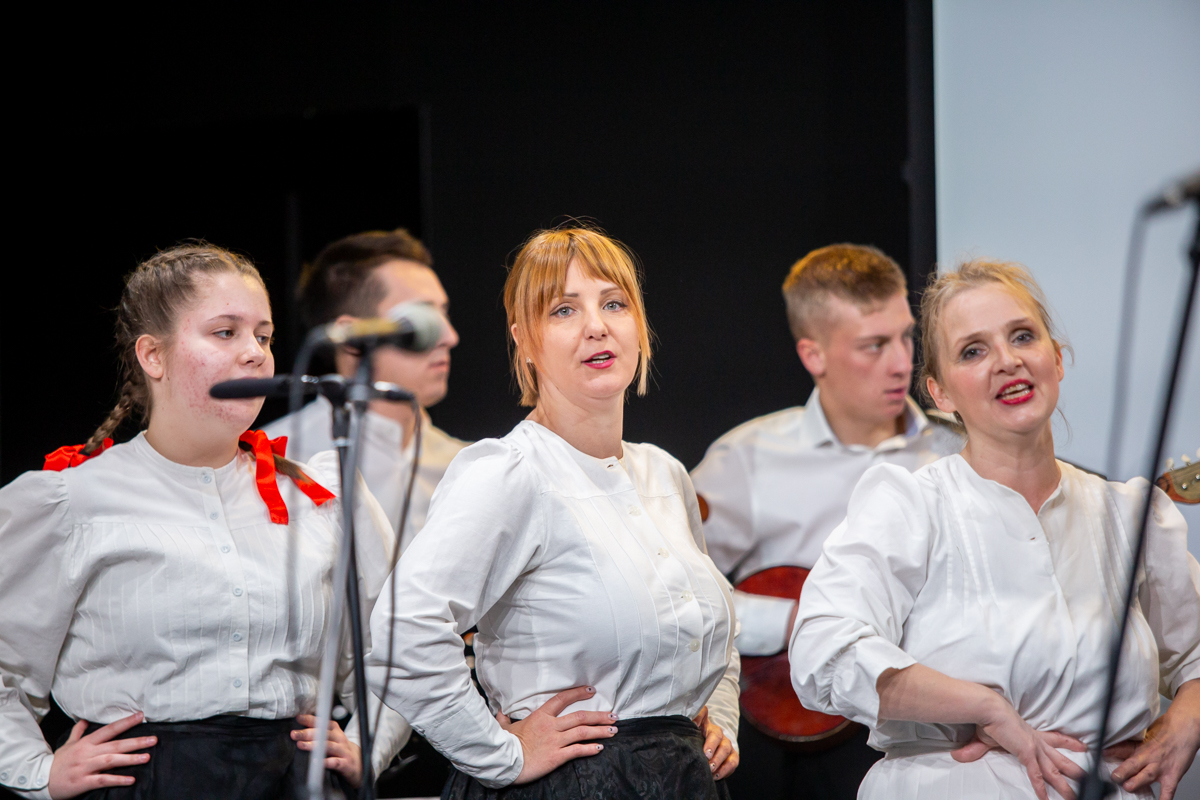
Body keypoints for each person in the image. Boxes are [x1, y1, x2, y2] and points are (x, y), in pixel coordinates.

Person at [0, 244, 408, 799]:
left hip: (294, 782)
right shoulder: (72, 500)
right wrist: (37, 772)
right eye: (225, 333)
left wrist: (367, 748)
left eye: (263, 336)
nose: (255, 354)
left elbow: (393, 652)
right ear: (154, 356)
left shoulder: (323, 495)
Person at [790, 259, 1200, 800]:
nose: (1007, 361)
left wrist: (1186, 721)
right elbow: (823, 653)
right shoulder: (911, 504)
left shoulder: (1129, 515)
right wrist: (983, 707)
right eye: (973, 351)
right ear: (940, 393)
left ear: (1056, 359)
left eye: (1023, 336)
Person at [366, 226, 741, 799]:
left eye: (614, 303)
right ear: (525, 340)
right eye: (564, 310)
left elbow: (712, 623)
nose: (597, 325)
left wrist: (718, 715)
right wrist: (500, 755)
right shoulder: (510, 473)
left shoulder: (664, 474)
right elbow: (402, 632)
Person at [690, 244, 963, 799]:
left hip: (934, 731)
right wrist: (794, 622)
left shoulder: (959, 449)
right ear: (813, 354)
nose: (901, 362)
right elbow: (674, 592)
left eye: (906, 337)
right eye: (874, 345)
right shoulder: (749, 458)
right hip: (796, 739)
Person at [265, 228, 467, 552]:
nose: (449, 336)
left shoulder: (465, 463)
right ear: (352, 336)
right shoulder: (276, 460)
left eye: (443, 314)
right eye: (422, 319)